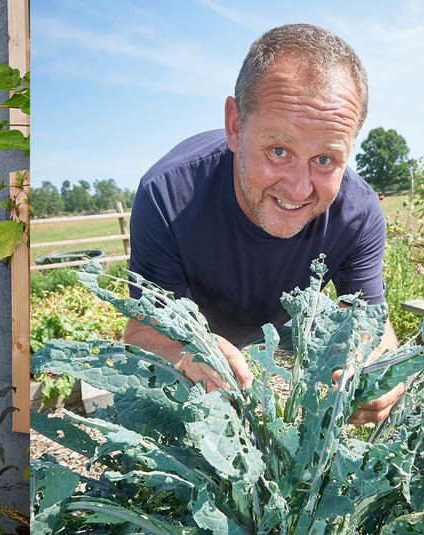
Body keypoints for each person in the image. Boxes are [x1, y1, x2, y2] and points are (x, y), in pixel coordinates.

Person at [126, 23, 402, 425]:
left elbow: (371, 325)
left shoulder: (357, 213)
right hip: (197, 327)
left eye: (325, 160)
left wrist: (379, 366)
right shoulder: (167, 195)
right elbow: (142, 332)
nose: (298, 188)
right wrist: (186, 352)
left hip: (288, 323)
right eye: (278, 150)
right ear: (235, 125)